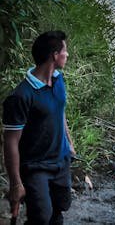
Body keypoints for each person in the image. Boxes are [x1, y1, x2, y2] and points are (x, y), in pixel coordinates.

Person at [3, 31, 75, 224]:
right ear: (54, 55)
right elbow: (10, 142)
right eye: (65, 51)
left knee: (60, 207)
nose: (67, 54)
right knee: (41, 217)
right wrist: (16, 184)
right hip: (35, 167)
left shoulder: (58, 79)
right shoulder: (20, 96)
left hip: (61, 160)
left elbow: (60, 110)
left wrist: (69, 142)